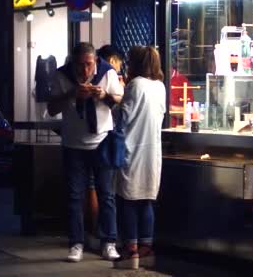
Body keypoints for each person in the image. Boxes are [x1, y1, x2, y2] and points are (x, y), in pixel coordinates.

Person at [47, 42, 124, 263]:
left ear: (95, 61)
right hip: (73, 143)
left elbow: (119, 101)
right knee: (74, 197)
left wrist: (103, 96)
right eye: (80, 65)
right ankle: (76, 244)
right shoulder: (61, 76)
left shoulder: (107, 73)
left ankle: (109, 242)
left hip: (102, 140)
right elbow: (52, 109)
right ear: (72, 63)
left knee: (106, 195)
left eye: (89, 65)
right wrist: (72, 94)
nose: (85, 71)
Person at [113, 45, 166, 270]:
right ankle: (146, 246)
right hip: (152, 152)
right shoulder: (160, 87)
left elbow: (123, 117)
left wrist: (115, 102)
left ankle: (131, 248)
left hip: (131, 150)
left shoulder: (135, 85)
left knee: (128, 201)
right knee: (146, 200)